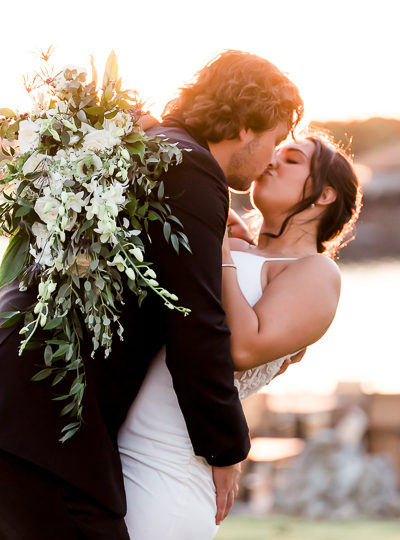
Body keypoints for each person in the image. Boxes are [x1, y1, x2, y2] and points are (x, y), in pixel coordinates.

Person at [0, 50, 302, 539]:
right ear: (247, 124)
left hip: (22, 399)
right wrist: (225, 449)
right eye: (276, 139)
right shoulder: (191, 169)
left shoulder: (157, 149)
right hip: (44, 420)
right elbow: (196, 322)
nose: (271, 157)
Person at [118, 132, 362, 539]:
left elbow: (243, 347)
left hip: (170, 469)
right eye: (275, 152)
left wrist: (218, 245)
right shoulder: (232, 245)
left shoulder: (315, 273)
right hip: (115, 445)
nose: (271, 162)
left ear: (324, 196)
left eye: (292, 160)